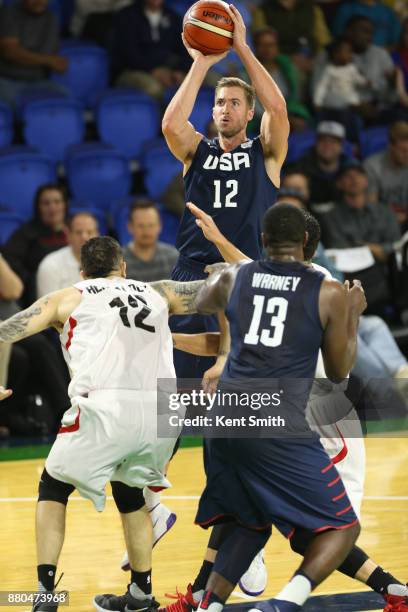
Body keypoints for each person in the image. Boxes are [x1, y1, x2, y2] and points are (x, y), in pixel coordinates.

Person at [164, 201, 408, 612]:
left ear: (264, 241)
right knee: (332, 528)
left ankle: (205, 601)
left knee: (250, 518)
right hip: (299, 416)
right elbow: (338, 371)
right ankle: (281, 602)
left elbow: (218, 291)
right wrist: (351, 319)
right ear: (309, 243)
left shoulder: (240, 278)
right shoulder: (326, 290)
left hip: (241, 415)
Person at [0, 235, 209, 612]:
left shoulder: (67, 296)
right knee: (130, 495)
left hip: (105, 408)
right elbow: (220, 289)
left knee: (53, 488)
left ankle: (45, 593)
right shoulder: (160, 291)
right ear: (123, 267)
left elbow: (9, 328)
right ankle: (142, 594)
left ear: (82, 271)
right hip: (163, 412)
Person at [162, 3, 289, 379]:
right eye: (219, 103)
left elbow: (278, 110)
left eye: (235, 103)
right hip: (192, 273)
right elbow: (171, 124)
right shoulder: (197, 150)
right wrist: (202, 63)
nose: (225, 110)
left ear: (250, 113)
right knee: (177, 396)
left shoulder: (265, 153)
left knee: (238, 396)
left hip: (243, 274)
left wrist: (242, 49)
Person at [320, 162, 401, 313]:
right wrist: (372, 249)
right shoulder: (330, 217)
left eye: (358, 175)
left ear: (366, 180)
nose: (354, 179)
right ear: (339, 184)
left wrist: (371, 249)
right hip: (353, 276)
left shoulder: (384, 212)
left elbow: (397, 246)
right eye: (348, 176)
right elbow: (340, 253)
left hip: (387, 270)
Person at [2, 183, 68, 306]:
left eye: (57, 202)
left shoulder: (74, 231)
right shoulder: (26, 233)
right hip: (38, 294)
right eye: (46, 203)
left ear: (65, 205)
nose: (52, 208)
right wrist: (31, 279)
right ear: (38, 207)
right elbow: (10, 260)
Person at [111, 0, 188, 100]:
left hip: (168, 69)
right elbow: (129, 55)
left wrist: (179, 70)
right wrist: (153, 71)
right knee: (154, 88)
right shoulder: (126, 16)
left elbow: (186, 49)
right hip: (132, 71)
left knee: (211, 80)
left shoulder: (173, 17)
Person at [0, 0, 69, 107]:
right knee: (12, 107)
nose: (39, 1)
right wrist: (48, 60)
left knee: (67, 101)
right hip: (8, 80)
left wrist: (47, 60)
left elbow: (50, 55)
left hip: (40, 81)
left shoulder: (52, 18)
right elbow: (11, 53)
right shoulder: (9, 12)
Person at [313, 38, 367, 143]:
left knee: (353, 119)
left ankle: (354, 143)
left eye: (350, 52)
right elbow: (322, 87)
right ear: (335, 54)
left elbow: (358, 79)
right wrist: (317, 101)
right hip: (333, 104)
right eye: (346, 52)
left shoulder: (351, 68)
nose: (350, 55)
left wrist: (366, 82)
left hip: (349, 102)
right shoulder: (330, 70)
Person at [36, 212, 99, 297]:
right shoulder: (50, 265)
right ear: (68, 235)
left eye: (90, 232)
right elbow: (48, 307)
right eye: (78, 232)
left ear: (98, 235)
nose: (84, 237)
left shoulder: (108, 264)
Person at [291, 121, 350, 205]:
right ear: (315, 143)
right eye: (323, 140)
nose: (327, 145)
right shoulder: (300, 169)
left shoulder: (350, 170)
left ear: (342, 146)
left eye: (333, 141)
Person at [363, 121, 408, 229]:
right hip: (381, 224)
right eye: (403, 151)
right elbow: (371, 207)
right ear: (391, 146)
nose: (407, 155)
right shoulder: (372, 166)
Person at [123, 200, 179, 283]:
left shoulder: (173, 257)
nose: (146, 231)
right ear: (130, 227)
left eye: (151, 225)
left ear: (159, 226)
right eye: (141, 226)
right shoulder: (119, 261)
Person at [332, 0, 401, 48]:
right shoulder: (346, 9)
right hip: (353, 56)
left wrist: (383, 53)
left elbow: (396, 41)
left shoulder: (387, 12)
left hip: (385, 55)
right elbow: (338, 37)